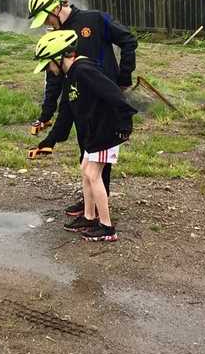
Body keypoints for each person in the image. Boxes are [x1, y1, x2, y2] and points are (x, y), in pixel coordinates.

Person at [27, 0, 138, 217]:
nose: (45, 24)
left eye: (45, 17)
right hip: (78, 102)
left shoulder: (95, 19)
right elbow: (54, 79)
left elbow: (129, 40)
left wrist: (123, 78)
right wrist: (46, 116)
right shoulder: (56, 37)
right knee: (86, 153)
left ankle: (100, 210)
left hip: (104, 101)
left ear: (56, 7)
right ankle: (89, 202)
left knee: (98, 156)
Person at [33, 30, 137, 241]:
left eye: (49, 65)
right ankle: (89, 217)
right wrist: (48, 142)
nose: (49, 71)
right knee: (85, 169)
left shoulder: (84, 70)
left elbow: (114, 94)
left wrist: (125, 124)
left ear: (61, 57)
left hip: (107, 129)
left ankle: (107, 227)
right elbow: (65, 113)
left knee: (93, 174)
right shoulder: (71, 75)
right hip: (94, 132)